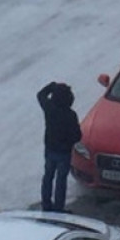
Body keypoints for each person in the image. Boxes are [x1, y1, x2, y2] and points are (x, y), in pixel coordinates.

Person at [37, 81, 82, 213]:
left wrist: (51, 86)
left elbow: (40, 95)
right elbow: (77, 136)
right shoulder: (70, 115)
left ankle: (46, 205)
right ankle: (58, 208)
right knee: (61, 180)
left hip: (50, 148)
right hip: (64, 152)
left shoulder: (49, 108)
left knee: (48, 176)